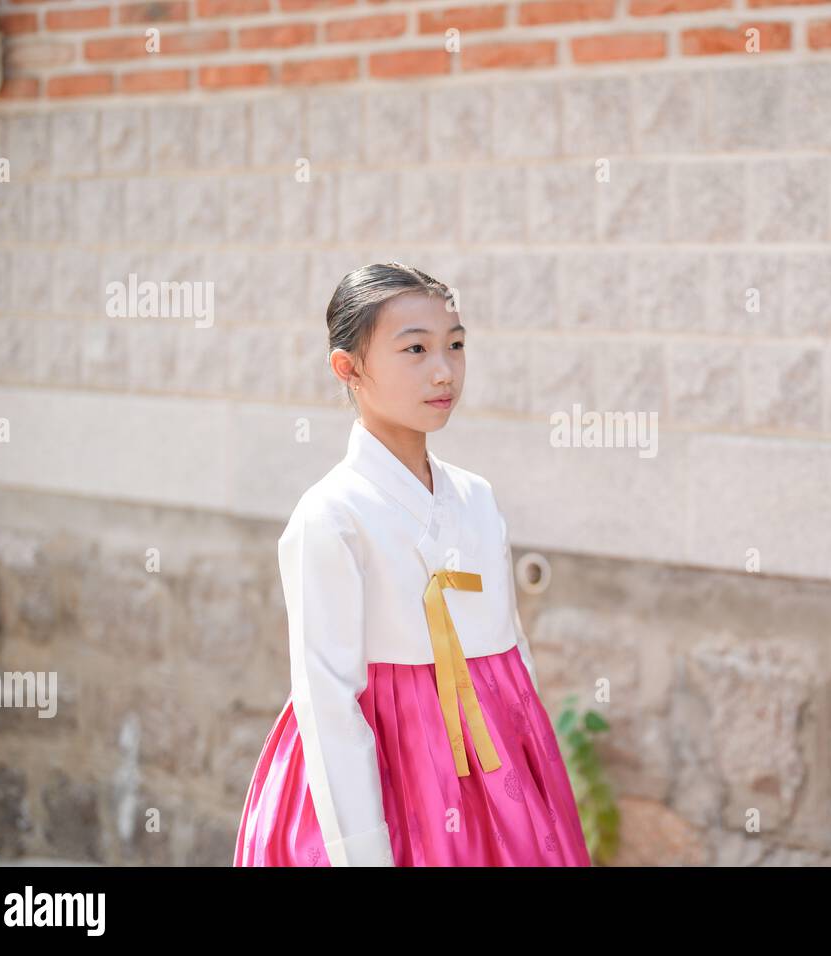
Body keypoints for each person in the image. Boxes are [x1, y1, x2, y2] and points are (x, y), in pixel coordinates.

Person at [233, 262, 591, 866]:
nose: (444, 370)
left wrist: (538, 794)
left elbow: (513, 661)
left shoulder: (476, 498)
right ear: (349, 367)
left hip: (495, 779)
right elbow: (328, 702)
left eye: (455, 345)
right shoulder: (331, 517)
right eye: (415, 349)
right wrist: (362, 855)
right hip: (383, 777)